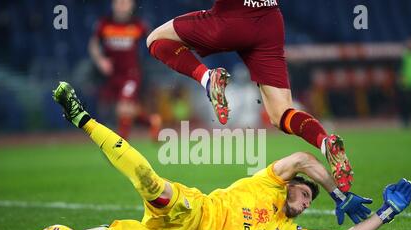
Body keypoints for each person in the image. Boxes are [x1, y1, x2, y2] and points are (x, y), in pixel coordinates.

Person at [52, 82, 411, 230]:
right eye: (305, 194)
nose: (305, 204)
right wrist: (338, 194)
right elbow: (303, 160)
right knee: (150, 181)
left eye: (308, 204)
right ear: (291, 186)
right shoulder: (269, 182)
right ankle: (83, 119)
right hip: (191, 209)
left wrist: (387, 212)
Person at [145, 0, 354, 192]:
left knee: (155, 39)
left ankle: (208, 78)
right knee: (282, 114)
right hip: (269, 22)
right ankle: (325, 142)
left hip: (231, 18)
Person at [89, 0, 161, 139]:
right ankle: (151, 121)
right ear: (113, 4)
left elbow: (153, 39)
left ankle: (121, 144)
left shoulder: (138, 25)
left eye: (126, 2)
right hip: (113, 75)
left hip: (131, 74)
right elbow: (94, 45)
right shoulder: (105, 24)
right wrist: (101, 61)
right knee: (126, 110)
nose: (122, 5)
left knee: (122, 107)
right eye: (119, 2)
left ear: (132, 5)